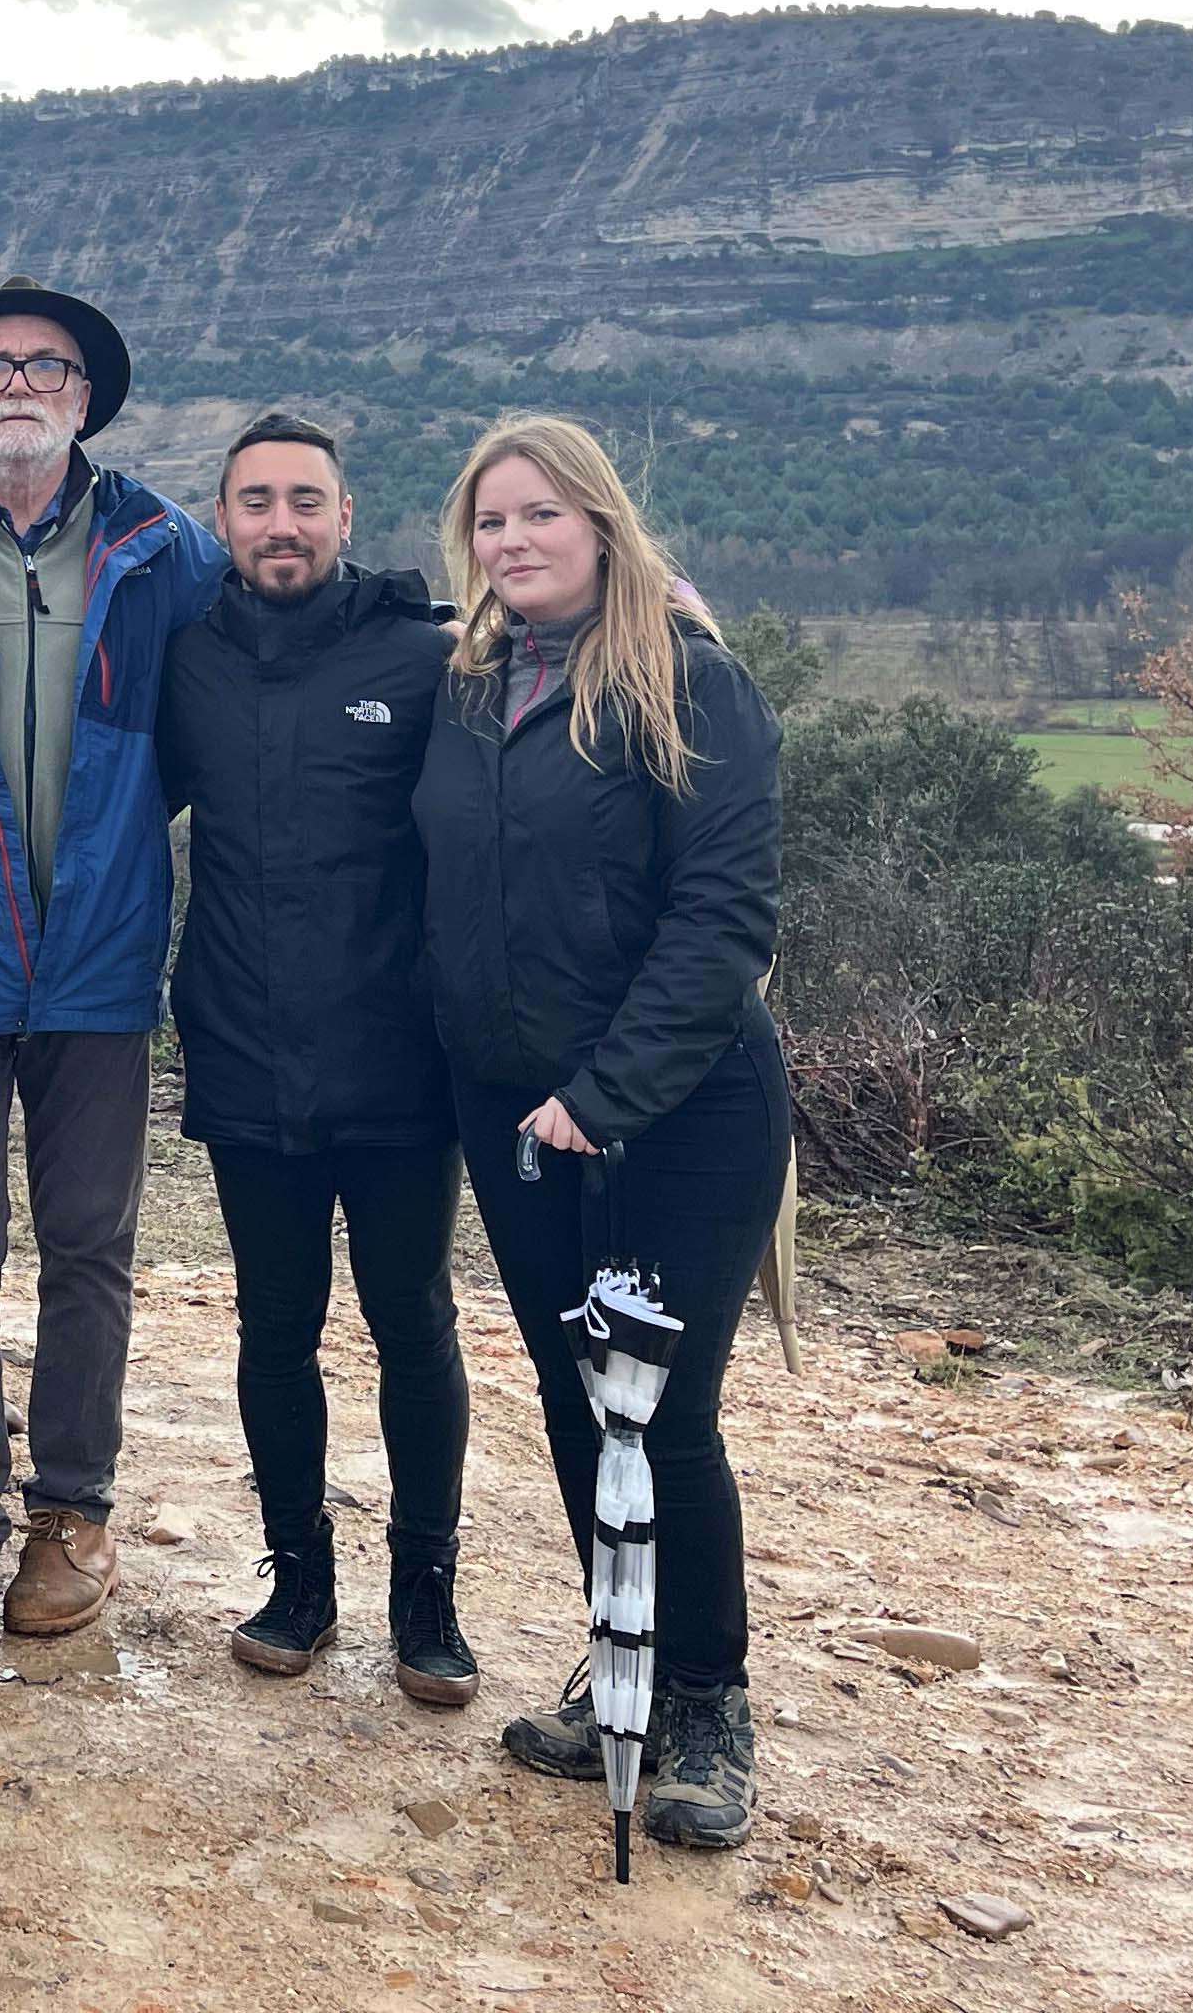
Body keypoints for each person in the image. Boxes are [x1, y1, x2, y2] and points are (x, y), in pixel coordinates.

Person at [410, 412, 786, 1855]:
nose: (513, 543)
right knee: (579, 1405)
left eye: (541, 517)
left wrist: (605, 1094)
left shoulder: (689, 684)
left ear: (605, 526)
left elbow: (721, 923)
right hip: (514, 1116)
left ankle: (704, 1703)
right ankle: (616, 1659)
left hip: (676, 1118)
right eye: (491, 523)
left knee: (662, 1419)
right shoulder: (467, 683)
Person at [0, 276, 222, 1664]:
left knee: (92, 1248)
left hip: (100, 966)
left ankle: (73, 1513)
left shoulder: (161, 547)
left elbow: (283, 631)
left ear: (85, 400)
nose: (19, 384)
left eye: (49, 368)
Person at [158, 414, 474, 1703]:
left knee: (415, 1327)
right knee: (274, 1329)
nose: (279, 524)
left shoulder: (426, 655)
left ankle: (426, 1596)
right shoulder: (187, 661)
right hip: (243, 1050)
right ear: (221, 522)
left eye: (305, 502)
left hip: (402, 1064)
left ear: (347, 518)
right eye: (254, 503)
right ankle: (299, 1579)